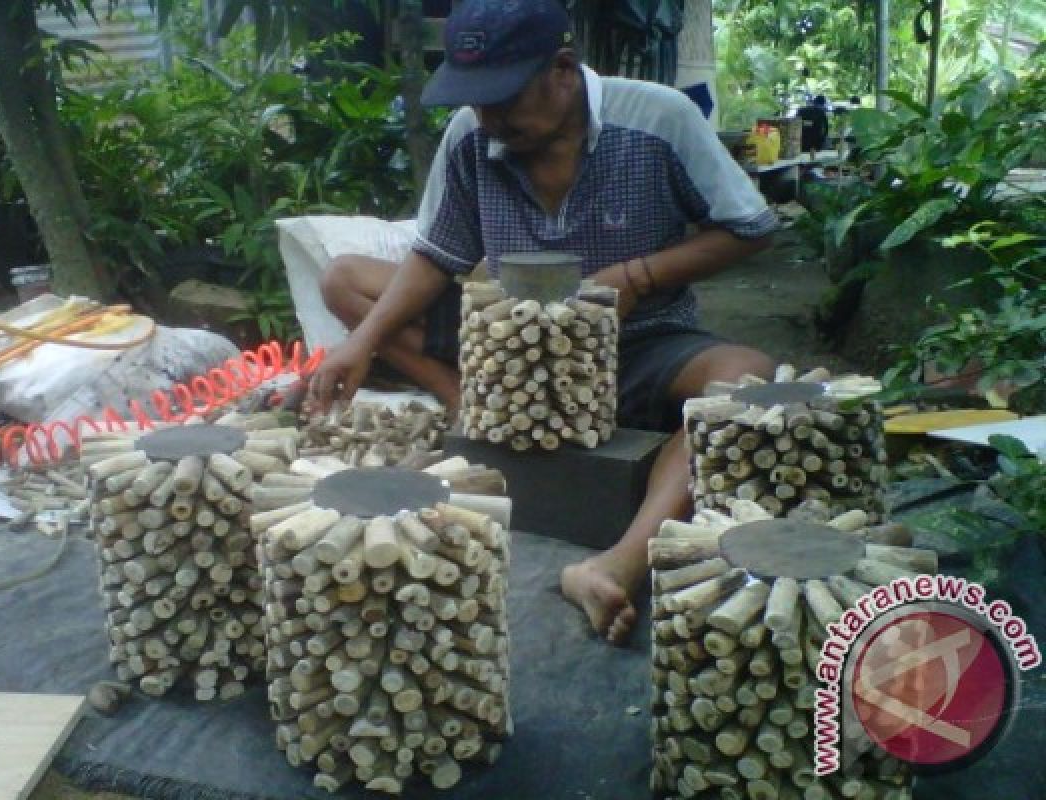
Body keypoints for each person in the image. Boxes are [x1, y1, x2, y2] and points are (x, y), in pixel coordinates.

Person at [307, 0, 778, 644]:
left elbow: (751, 229)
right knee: (344, 280)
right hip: (511, 347)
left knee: (750, 383)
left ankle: (616, 563)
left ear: (562, 68)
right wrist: (359, 345)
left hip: (642, 341)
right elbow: (437, 255)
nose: (488, 118)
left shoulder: (659, 117)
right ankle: (465, 401)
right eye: (475, 101)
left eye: (502, 98)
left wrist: (636, 278)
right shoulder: (473, 137)